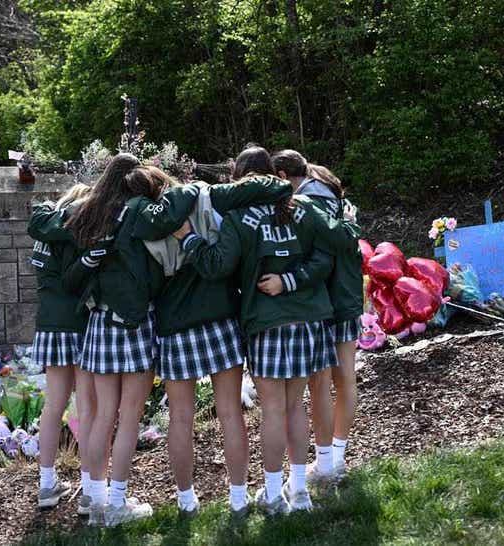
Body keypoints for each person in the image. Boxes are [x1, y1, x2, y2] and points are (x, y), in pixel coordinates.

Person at [172, 146, 346, 515]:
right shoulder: (304, 208)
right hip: (310, 319)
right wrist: (291, 278)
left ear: (240, 179)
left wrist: (188, 238)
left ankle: (271, 495)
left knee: (272, 411)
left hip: (268, 324)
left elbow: (218, 266)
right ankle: (299, 492)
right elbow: (327, 256)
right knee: (295, 407)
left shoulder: (237, 216)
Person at [130, 164, 292, 517]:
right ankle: (237, 498)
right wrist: (281, 188)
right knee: (231, 413)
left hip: (174, 325)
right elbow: (264, 187)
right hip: (220, 317)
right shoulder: (205, 196)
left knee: (180, 419)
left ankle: (186, 501)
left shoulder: (137, 222)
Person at [63, 153, 166, 527]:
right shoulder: (138, 213)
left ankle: (93, 499)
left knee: (103, 416)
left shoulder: (91, 213)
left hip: (99, 321)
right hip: (135, 322)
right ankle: (117, 505)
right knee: (129, 419)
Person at [266, 150, 363, 482]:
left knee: (326, 381)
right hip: (345, 294)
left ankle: (331, 461)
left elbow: (330, 247)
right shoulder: (324, 187)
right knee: (341, 379)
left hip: (330, 298)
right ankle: (333, 458)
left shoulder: (308, 202)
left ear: (281, 175)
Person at [27, 183, 96, 511]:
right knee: (86, 408)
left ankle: (46, 483)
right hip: (78, 323)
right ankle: (88, 487)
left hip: (49, 323)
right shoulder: (72, 233)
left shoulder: (44, 229)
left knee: (52, 407)